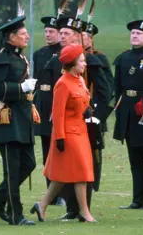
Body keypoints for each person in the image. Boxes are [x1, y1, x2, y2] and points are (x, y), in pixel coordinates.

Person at [43, 16, 110, 221]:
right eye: (60, 33)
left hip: (85, 122)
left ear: (77, 36)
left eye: (66, 34)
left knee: (84, 168)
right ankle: (72, 209)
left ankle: (82, 208)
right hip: (64, 123)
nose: (61, 36)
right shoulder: (56, 59)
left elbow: (105, 91)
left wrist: (96, 116)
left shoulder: (91, 61)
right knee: (67, 168)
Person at [30, 44, 96, 223]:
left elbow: (81, 100)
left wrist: (87, 110)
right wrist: (59, 137)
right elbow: (57, 113)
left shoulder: (79, 79)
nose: (85, 64)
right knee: (80, 172)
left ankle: (41, 205)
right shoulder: (62, 83)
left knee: (63, 174)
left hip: (81, 131)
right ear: (72, 63)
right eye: (81, 61)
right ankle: (84, 211)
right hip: (68, 133)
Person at [0, 15, 38, 226]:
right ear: (11, 37)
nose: (27, 37)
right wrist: (21, 88)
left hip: (22, 119)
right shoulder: (0, 59)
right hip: (7, 121)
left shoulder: (21, 58)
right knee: (12, 170)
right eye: (23, 34)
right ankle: (16, 214)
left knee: (29, 164)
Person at [114, 19, 143, 210]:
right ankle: (136, 199)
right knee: (134, 158)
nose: (134, 36)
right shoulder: (123, 58)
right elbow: (118, 88)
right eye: (132, 33)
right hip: (129, 110)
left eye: (138, 33)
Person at [33, 16, 65, 206]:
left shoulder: (64, 54)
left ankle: (60, 193)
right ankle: (50, 191)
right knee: (46, 150)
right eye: (46, 31)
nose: (48, 35)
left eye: (51, 31)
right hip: (43, 102)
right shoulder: (40, 53)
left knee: (59, 149)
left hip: (57, 101)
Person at [82, 21, 114, 192]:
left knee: (95, 146)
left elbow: (108, 85)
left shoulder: (99, 58)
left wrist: (99, 109)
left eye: (84, 37)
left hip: (94, 107)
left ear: (91, 39)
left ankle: (94, 181)